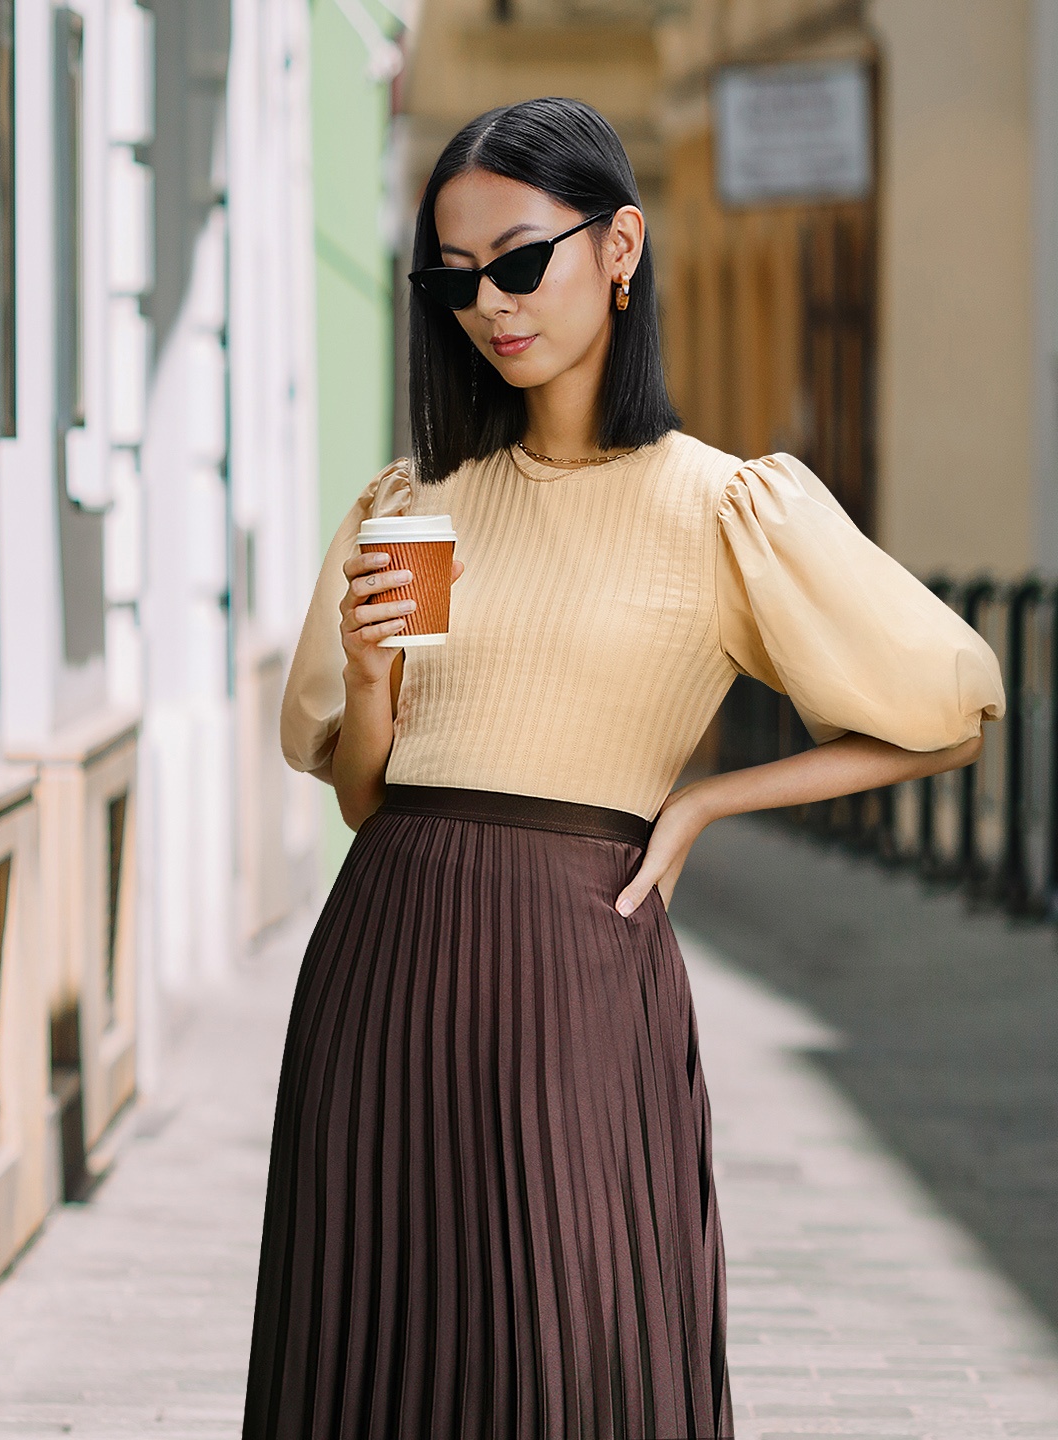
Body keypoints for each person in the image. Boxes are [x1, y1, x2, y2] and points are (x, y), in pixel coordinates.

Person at [241, 97, 1005, 1440]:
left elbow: (947, 710)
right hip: (386, 959)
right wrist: (369, 681)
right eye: (454, 278)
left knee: (564, 1345)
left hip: (577, 969)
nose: (491, 306)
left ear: (620, 247)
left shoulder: (724, 506)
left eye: (522, 260)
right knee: (380, 1350)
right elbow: (364, 795)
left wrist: (708, 798)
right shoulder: (411, 502)